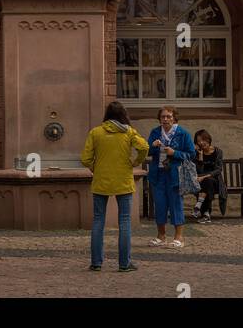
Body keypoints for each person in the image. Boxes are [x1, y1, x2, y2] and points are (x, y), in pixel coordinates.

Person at [81, 100, 149, 273]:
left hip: (101, 181)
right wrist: (135, 162)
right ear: (123, 115)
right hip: (123, 181)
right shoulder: (129, 132)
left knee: (98, 221)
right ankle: (124, 263)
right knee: (124, 221)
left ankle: (96, 262)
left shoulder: (96, 132)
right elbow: (144, 147)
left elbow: (85, 158)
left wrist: (95, 168)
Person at [147, 105, 196, 248]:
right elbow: (147, 150)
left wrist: (174, 153)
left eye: (169, 116)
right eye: (163, 116)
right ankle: (161, 236)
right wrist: (153, 146)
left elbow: (191, 154)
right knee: (160, 204)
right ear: (159, 119)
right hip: (159, 174)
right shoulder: (155, 132)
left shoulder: (183, 133)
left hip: (176, 175)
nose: (166, 119)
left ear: (174, 118)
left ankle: (179, 237)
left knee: (176, 205)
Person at [192, 129, 226, 222]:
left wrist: (205, 176)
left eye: (203, 139)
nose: (201, 143)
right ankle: (206, 214)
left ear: (208, 139)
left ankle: (199, 205)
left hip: (215, 181)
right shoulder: (197, 153)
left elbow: (218, 170)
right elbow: (198, 170)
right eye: (198, 141)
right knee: (207, 182)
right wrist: (200, 157)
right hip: (202, 181)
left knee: (209, 181)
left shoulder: (218, 151)